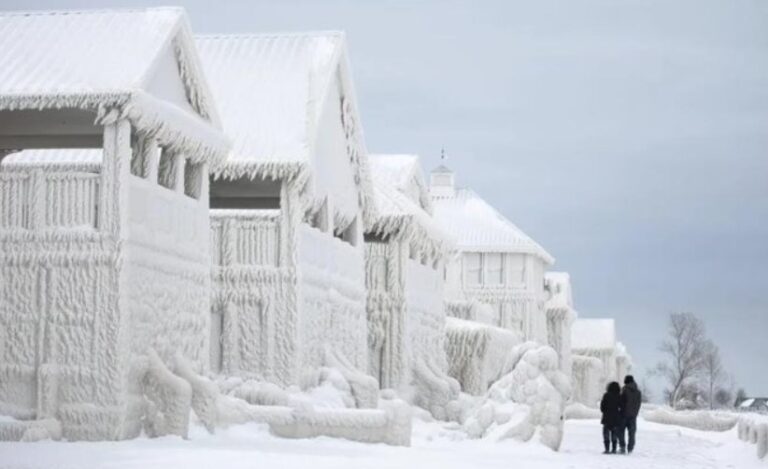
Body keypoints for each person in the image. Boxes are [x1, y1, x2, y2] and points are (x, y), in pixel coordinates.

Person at [600, 381, 625, 454]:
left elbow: (602, 407)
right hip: (616, 418)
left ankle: (607, 449)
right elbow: (622, 407)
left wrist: (605, 411)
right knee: (614, 434)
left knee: (606, 434)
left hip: (607, 417)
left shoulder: (606, 395)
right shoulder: (619, 396)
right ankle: (614, 449)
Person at [619, 375, 642, 454]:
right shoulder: (638, 392)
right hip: (633, 416)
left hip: (623, 415)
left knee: (621, 431)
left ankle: (622, 447)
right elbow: (639, 404)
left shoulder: (624, 390)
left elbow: (621, 401)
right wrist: (636, 413)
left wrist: (620, 410)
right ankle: (630, 448)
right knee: (632, 433)